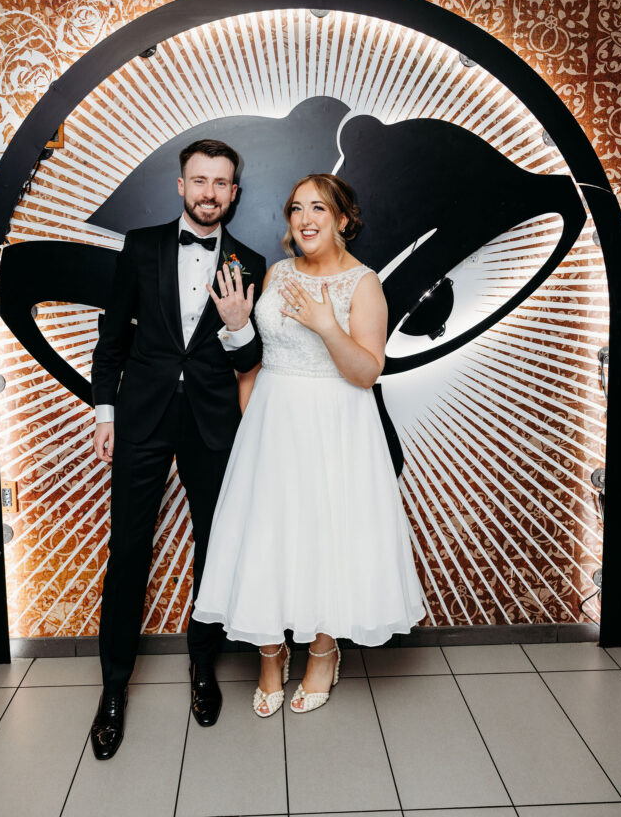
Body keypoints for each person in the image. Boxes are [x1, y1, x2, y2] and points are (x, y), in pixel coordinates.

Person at [193, 173, 425, 717]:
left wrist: (327, 324)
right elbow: (258, 358)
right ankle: (270, 658)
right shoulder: (277, 273)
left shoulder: (364, 284)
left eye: (319, 208)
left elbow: (366, 372)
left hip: (336, 425)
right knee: (268, 538)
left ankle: (323, 652)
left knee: (328, 536)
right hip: (272, 425)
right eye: (296, 208)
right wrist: (234, 329)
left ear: (343, 219)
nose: (305, 219)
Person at [90, 138, 265, 758]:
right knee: (130, 547)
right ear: (181, 185)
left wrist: (241, 324)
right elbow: (111, 338)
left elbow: (251, 362)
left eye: (221, 183)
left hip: (213, 425)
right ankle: (113, 690)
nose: (209, 193)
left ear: (234, 193)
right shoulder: (140, 247)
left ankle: (202, 667)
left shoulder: (251, 262)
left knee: (213, 550)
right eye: (199, 180)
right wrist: (105, 412)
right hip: (141, 419)